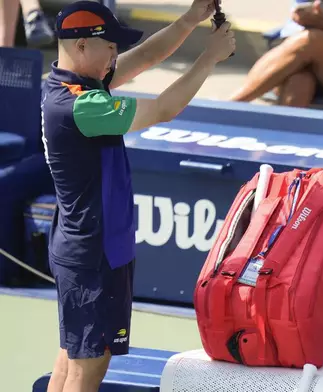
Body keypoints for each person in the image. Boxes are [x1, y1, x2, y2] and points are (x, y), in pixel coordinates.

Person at [41, 1, 235, 391]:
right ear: (80, 47)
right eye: (109, 45)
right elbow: (164, 107)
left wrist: (191, 18)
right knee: (87, 368)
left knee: (72, 358)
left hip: (90, 247)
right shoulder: (82, 106)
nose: (115, 54)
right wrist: (210, 57)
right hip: (93, 254)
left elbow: (147, 55)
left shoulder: (69, 85)